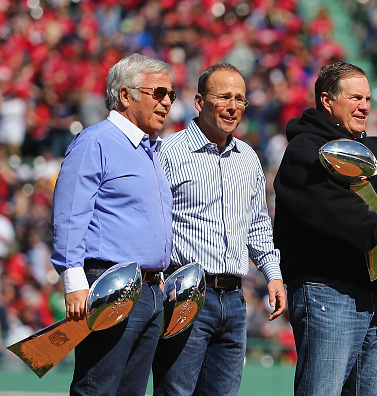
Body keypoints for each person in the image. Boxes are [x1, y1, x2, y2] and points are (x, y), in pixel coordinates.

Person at [273, 62, 377, 395]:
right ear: (327, 100)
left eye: (367, 98)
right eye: (354, 98)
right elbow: (344, 215)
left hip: (375, 298)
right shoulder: (304, 152)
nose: (364, 106)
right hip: (327, 292)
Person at [151, 63, 287, 396]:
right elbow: (154, 223)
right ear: (199, 102)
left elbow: (257, 225)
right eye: (223, 97)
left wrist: (273, 274)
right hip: (185, 293)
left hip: (235, 300)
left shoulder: (248, 158)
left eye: (240, 99)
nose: (233, 106)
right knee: (175, 392)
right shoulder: (168, 152)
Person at [50, 53, 175, 395]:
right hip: (108, 284)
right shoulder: (96, 141)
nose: (166, 103)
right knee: (98, 388)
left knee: (129, 391)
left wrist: (158, 278)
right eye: (158, 93)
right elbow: (70, 213)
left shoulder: (149, 151)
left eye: (170, 95)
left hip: (149, 290)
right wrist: (74, 280)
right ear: (125, 95)